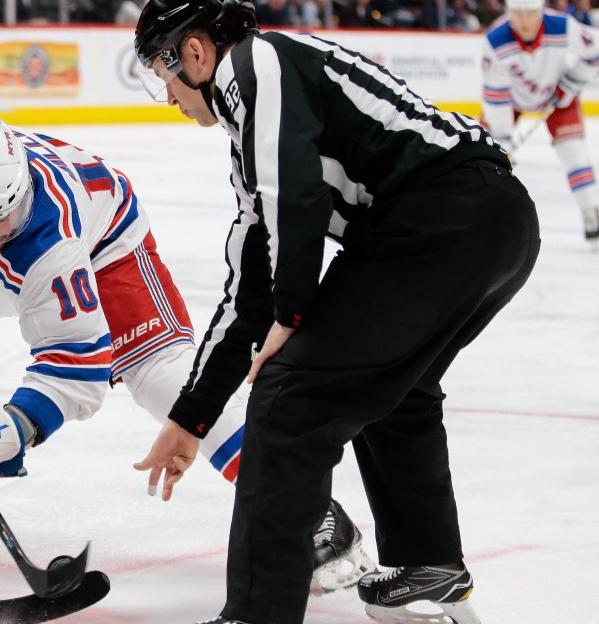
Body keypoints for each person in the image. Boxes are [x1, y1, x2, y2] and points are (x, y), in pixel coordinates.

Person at [0, 109, 370, 593]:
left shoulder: (48, 235)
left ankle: (309, 509)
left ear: (22, 189)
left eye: (3, 217)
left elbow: (76, 366)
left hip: (105, 246)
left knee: (169, 382)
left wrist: (1, 436)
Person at [132, 0, 540, 623]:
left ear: (193, 53)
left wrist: (292, 316)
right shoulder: (254, 139)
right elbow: (250, 288)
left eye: (162, 78)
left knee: (292, 400)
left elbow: (293, 197)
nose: (168, 98)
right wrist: (190, 418)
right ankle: (427, 569)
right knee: (396, 386)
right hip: (490, 222)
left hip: (441, 216)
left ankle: (257, 613)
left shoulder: (256, 62)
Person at [482, 0, 599, 246]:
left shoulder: (563, 26)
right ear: (509, 13)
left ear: (541, 13)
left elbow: (594, 52)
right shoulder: (495, 40)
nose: (524, 22)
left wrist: (570, 84)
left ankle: (593, 214)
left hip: (557, 95)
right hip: (511, 101)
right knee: (487, 155)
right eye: (518, 14)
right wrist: (503, 141)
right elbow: (495, 98)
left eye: (530, 14)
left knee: (574, 153)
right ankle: (483, 216)